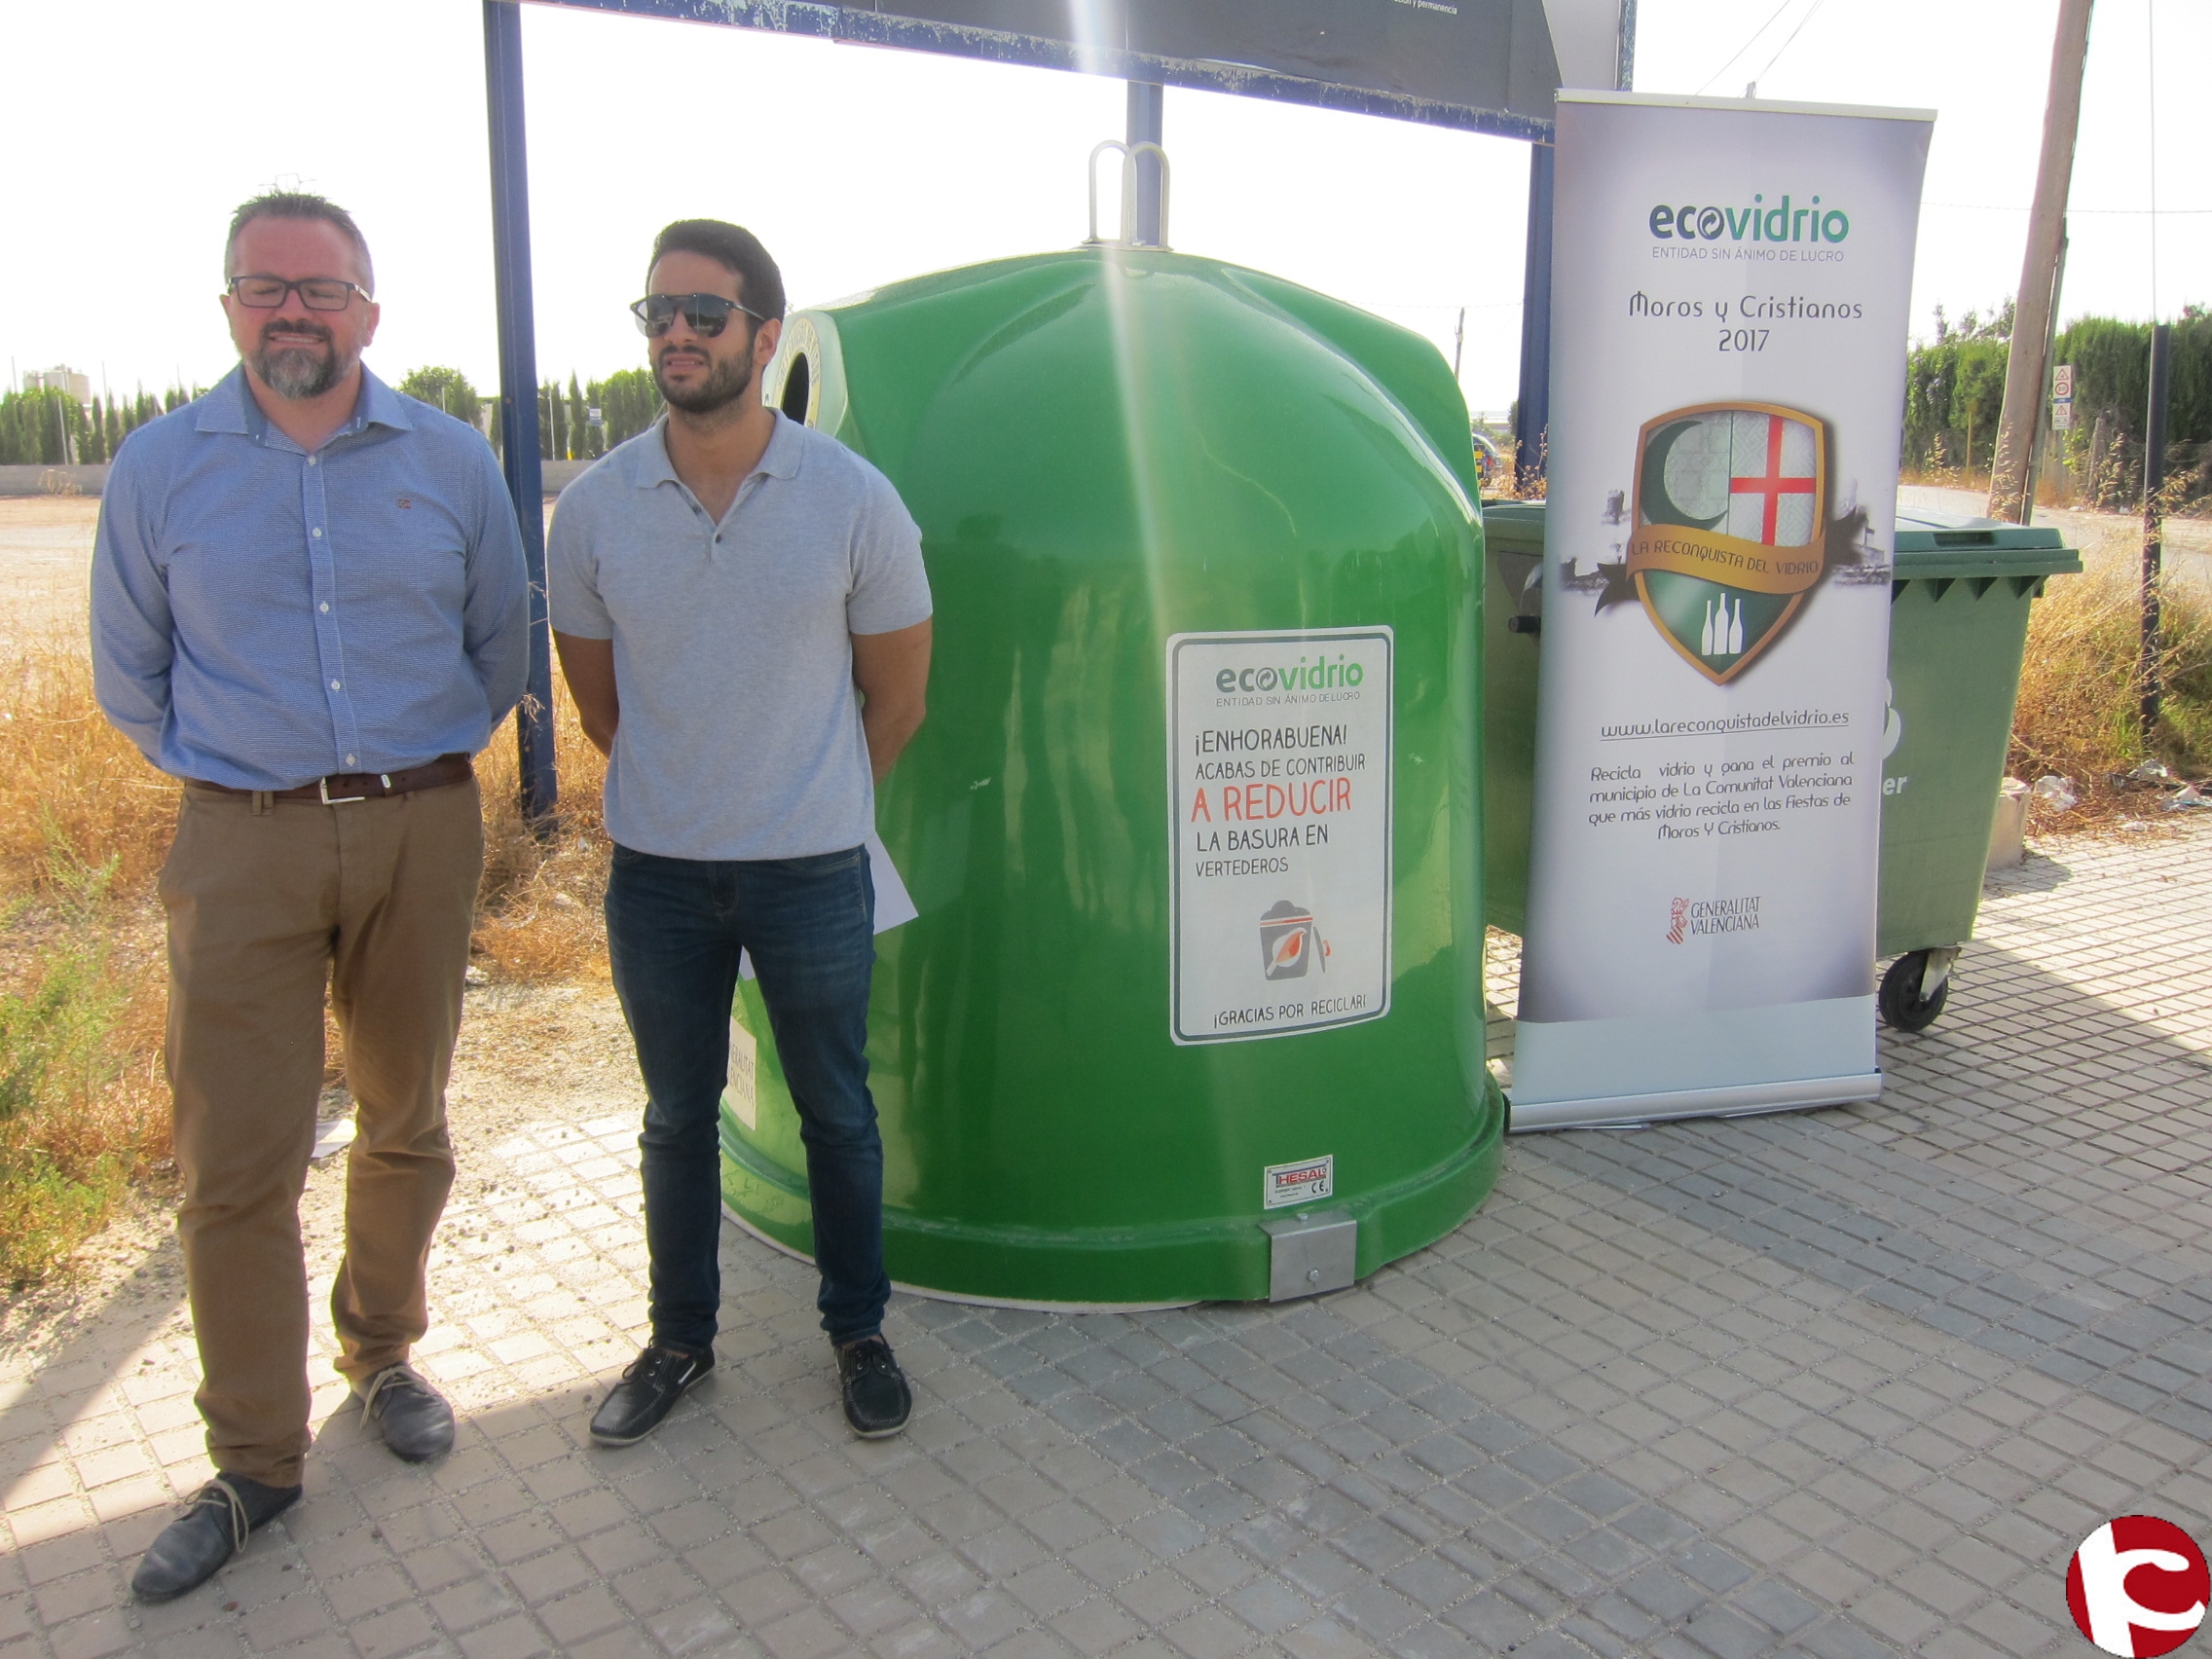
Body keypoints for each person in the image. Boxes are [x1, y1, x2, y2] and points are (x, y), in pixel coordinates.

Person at [92, 190, 532, 1601]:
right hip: (244, 842)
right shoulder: (160, 467)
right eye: (265, 286)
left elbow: (498, 640)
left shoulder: (449, 460)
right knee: (236, 1164)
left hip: (421, 829)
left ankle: (382, 1352)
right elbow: (129, 673)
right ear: (229, 306)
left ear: (369, 311)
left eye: (320, 288)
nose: (293, 309)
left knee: (406, 1115)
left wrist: (409, 772)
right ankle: (255, 1461)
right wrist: (246, 774)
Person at [548, 219, 932, 1445]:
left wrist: (803, 797)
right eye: (657, 312)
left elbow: (899, 698)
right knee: (676, 1118)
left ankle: (858, 1332)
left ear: (764, 338)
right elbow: (601, 709)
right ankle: (679, 1341)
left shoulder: (854, 500)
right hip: (659, 877)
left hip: (813, 871)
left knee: (837, 1114)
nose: (676, 332)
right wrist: (697, 794)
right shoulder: (594, 509)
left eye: (703, 314)